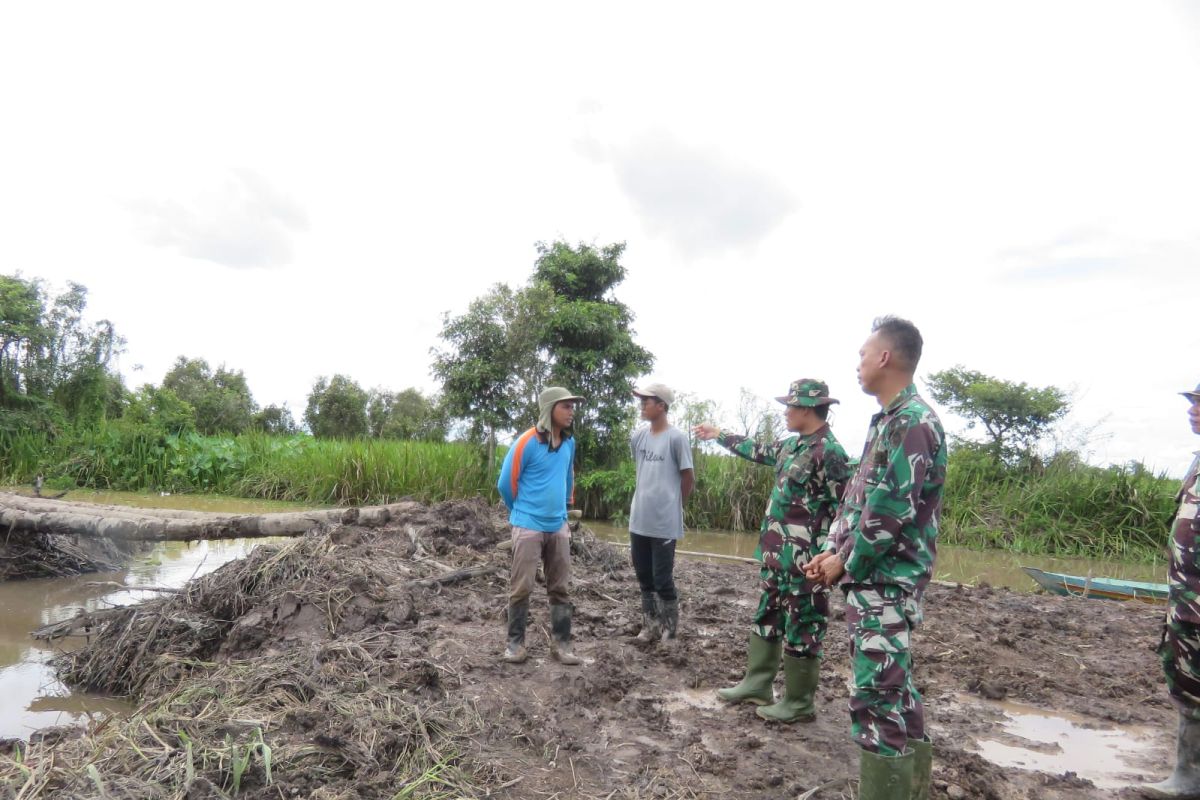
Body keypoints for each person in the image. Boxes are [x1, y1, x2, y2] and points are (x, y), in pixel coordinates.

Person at [805, 316, 946, 800]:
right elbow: (859, 499)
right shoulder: (888, 420)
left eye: (864, 354)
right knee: (895, 688)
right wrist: (832, 549)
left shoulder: (911, 422)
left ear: (885, 357)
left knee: (878, 697)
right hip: (872, 575)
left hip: (887, 580)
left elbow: (889, 510)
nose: (859, 364)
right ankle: (914, 789)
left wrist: (845, 562)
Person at [694, 378, 850, 723]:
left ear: (808, 409)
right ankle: (757, 684)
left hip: (806, 563)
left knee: (803, 625)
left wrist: (832, 553)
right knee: (767, 616)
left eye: (790, 406)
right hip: (776, 557)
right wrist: (718, 434)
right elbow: (758, 450)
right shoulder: (792, 446)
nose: (785, 412)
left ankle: (798, 702)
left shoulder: (831, 453)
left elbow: (846, 507)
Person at [496, 387, 585, 666]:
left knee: (560, 587)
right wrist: (520, 514)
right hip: (528, 525)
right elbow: (505, 484)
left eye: (573, 407)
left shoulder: (569, 443)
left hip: (557, 525)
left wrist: (566, 511)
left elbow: (568, 478)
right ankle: (515, 644)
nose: (571, 412)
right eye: (566, 407)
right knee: (522, 586)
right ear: (549, 410)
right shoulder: (527, 442)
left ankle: (561, 645)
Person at [1141, 382, 1200, 798]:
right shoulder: (1197, 462)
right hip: (1187, 604)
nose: (1193, 409)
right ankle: (1188, 775)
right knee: (1188, 685)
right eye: (1193, 401)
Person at [628, 382, 695, 642]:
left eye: (647, 401)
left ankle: (669, 630)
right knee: (644, 576)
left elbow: (687, 477)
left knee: (662, 578)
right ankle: (650, 626)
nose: (642, 405)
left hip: (664, 521)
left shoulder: (676, 438)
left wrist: (675, 506)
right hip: (639, 518)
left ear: (662, 406)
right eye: (641, 401)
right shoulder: (639, 437)